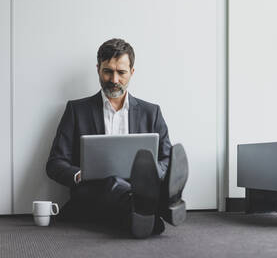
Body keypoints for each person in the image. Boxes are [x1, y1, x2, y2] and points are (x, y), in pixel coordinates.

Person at [46, 38, 188, 238]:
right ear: (98, 69)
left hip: (135, 190)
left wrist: (158, 171)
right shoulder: (76, 110)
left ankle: (144, 213)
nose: (114, 80)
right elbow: (54, 164)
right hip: (92, 192)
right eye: (107, 71)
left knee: (135, 208)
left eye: (121, 72)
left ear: (132, 72)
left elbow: (166, 159)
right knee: (112, 181)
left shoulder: (151, 112)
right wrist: (80, 174)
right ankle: (163, 207)